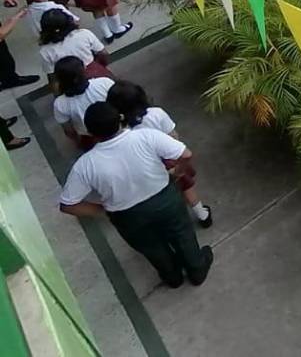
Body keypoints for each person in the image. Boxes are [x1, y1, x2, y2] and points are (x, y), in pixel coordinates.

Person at [59, 101, 213, 288]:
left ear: (90, 133)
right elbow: (186, 154)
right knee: (182, 233)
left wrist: (104, 210)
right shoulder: (146, 136)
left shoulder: (84, 166)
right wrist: (179, 172)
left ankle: (172, 277)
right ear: (120, 120)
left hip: (127, 216)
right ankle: (196, 269)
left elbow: (68, 204)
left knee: (151, 248)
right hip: (165, 199)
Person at [107, 79, 213, 227]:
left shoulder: (121, 128)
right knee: (185, 185)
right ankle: (202, 214)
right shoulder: (156, 113)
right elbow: (173, 135)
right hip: (168, 158)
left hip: (145, 165)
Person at [39, 8, 112, 85]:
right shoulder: (84, 34)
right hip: (95, 72)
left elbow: (53, 78)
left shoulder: (45, 51)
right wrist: (100, 66)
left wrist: (59, 96)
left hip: (69, 82)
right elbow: (104, 54)